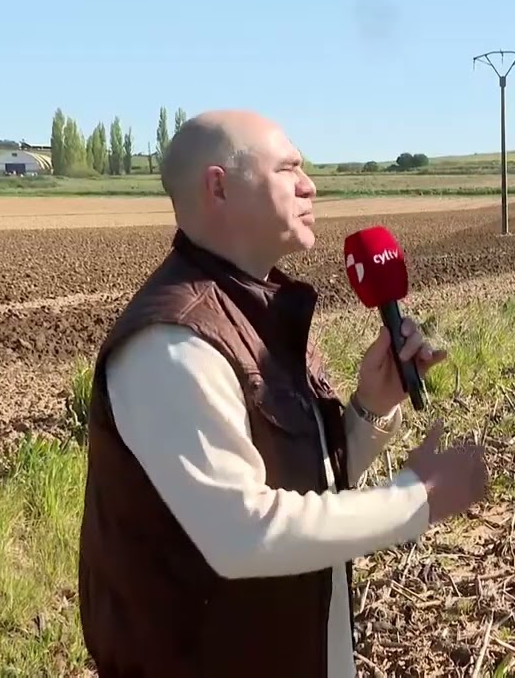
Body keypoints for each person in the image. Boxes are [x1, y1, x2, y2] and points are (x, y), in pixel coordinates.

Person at [77, 109, 488, 677]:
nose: (309, 184)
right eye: (288, 168)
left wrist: (370, 408)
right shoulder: (172, 343)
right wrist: (418, 499)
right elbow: (242, 532)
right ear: (219, 186)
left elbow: (304, 482)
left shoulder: (259, 313)